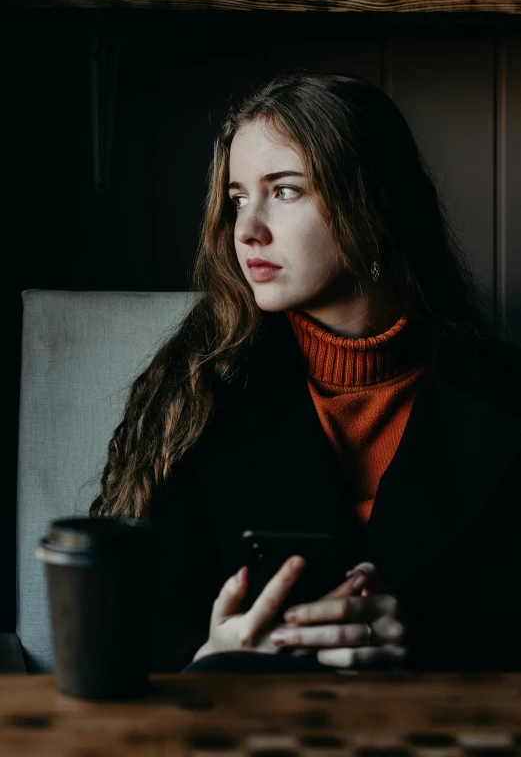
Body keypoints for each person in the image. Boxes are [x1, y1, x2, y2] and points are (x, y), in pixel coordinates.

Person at [89, 71, 521, 674]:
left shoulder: (503, 397)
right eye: (238, 197)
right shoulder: (195, 392)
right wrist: (210, 659)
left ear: (374, 203)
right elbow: (122, 626)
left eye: (285, 191)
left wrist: (428, 636)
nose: (246, 229)